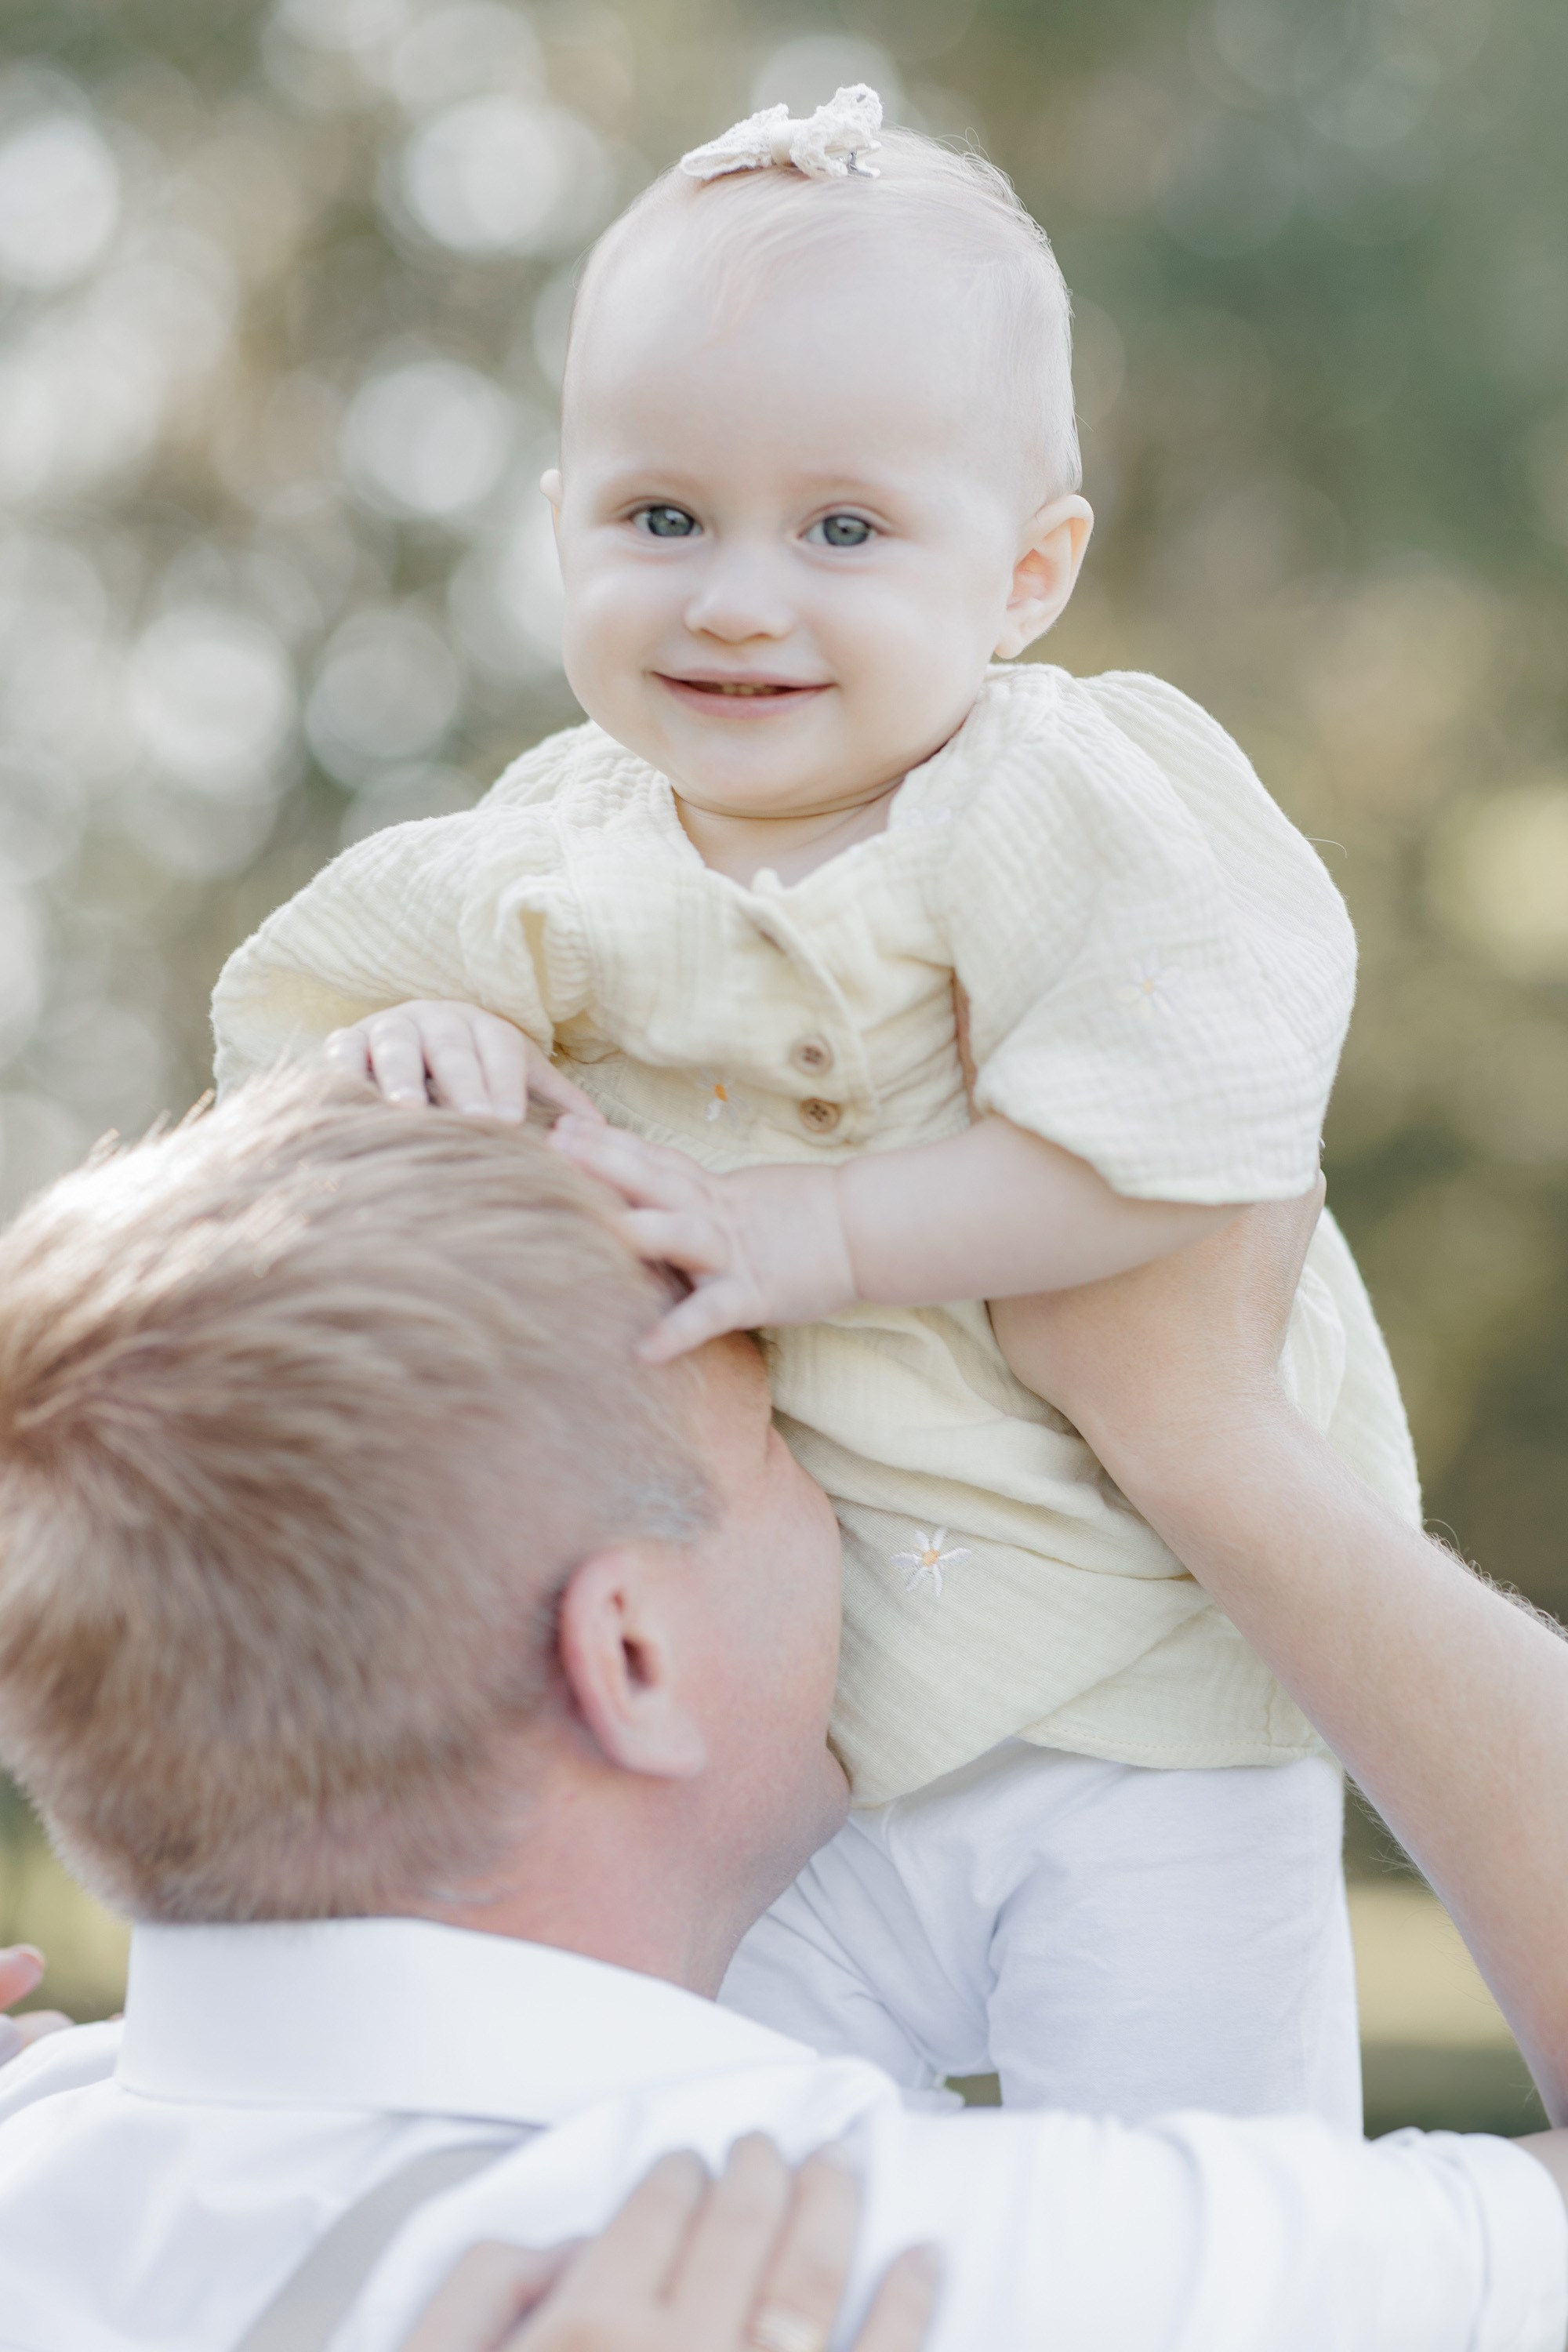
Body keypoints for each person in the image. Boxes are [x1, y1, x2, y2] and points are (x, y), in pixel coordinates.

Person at [205, 85, 1416, 2126]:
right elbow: (306, 1048)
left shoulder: (1063, 797)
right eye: (662, 519)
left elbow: (1200, 1117)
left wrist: (822, 1236)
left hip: (1149, 1702)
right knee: (733, 2168)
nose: (739, 598)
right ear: (562, 522)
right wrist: (412, 1065)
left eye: (843, 529)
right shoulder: (544, 852)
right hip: (800, 1745)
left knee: (1188, 2204)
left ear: (1025, 573)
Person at [0, 1071, 1563, 2352]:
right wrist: (1212, 1439)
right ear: (628, 1658)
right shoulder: (873, 2264)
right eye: (780, 1439)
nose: (841, 1501)